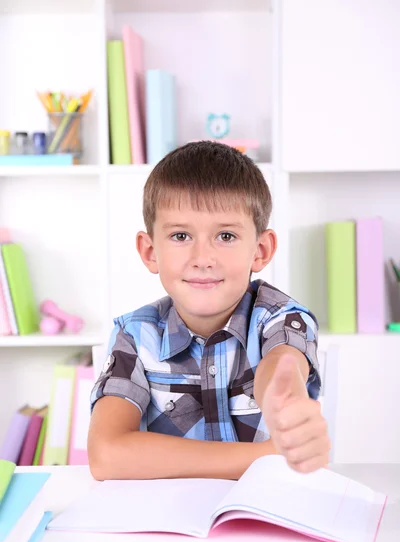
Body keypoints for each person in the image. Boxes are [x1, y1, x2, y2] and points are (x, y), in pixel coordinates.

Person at [88, 141, 330, 481]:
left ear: (260, 250)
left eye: (226, 236)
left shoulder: (282, 318)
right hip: (167, 523)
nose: (203, 258)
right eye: (181, 235)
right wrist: (263, 456)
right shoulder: (135, 334)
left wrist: (283, 390)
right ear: (150, 251)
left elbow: (281, 368)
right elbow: (106, 454)